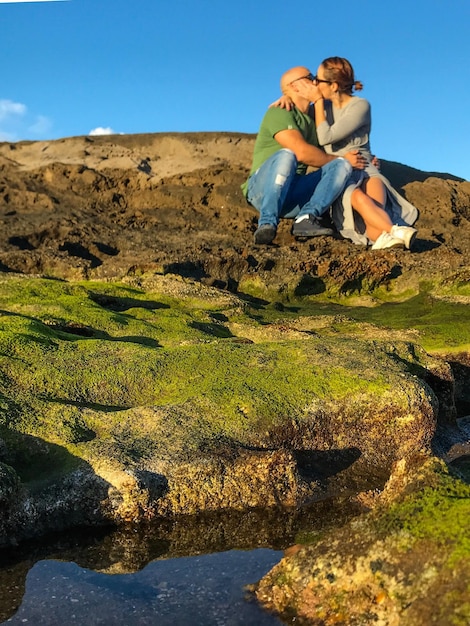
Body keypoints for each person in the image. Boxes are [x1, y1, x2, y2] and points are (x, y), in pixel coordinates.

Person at [272, 57, 419, 249]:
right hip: (341, 173)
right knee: (357, 197)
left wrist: (316, 101)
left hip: (366, 168)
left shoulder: (360, 105)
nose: (314, 83)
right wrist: (287, 97)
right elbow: (303, 115)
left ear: (333, 85)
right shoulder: (320, 107)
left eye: (318, 79)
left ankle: (392, 234)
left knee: (373, 213)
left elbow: (326, 136)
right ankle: (397, 232)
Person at [241, 66, 368, 245]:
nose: (316, 81)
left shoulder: (316, 118)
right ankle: (266, 224)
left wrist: (365, 158)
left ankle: (306, 217)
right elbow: (301, 152)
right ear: (294, 86)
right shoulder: (278, 112)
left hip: (292, 192)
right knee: (287, 154)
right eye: (310, 77)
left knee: (341, 165)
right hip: (261, 191)